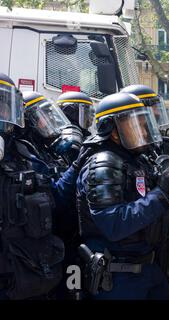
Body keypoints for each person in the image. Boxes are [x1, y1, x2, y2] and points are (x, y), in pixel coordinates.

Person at [76, 92, 169, 300]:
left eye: (145, 125)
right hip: (118, 277)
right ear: (113, 130)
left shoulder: (135, 160)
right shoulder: (103, 163)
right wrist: (161, 194)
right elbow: (115, 223)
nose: (143, 131)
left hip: (145, 269)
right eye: (136, 124)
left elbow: (143, 206)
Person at [0, 73, 65, 300]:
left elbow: (55, 198)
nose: (3, 115)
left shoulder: (24, 153)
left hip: (27, 269)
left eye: (4, 107)